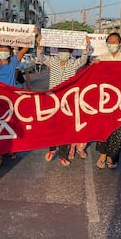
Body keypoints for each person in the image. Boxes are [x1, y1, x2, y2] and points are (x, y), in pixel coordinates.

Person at [36, 34, 90, 166]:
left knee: (66, 129)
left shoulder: (73, 63)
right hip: (52, 99)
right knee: (52, 126)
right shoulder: (53, 61)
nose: (63, 53)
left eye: (66, 51)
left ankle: (62, 156)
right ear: (58, 51)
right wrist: (39, 44)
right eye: (62, 50)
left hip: (67, 100)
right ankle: (51, 150)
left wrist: (86, 47)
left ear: (71, 53)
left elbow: (83, 61)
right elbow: (41, 57)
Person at [93, 32, 121, 169]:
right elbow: (93, 76)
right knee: (103, 128)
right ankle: (102, 154)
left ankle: (112, 157)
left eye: (114, 42)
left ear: (120, 44)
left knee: (117, 130)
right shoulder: (101, 58)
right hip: (104, 100)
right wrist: (94, 66)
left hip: (120, 99)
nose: (112, 45)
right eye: (109, 42)